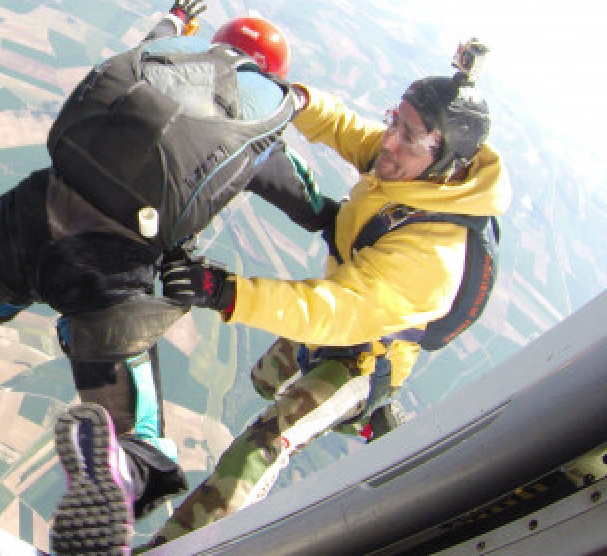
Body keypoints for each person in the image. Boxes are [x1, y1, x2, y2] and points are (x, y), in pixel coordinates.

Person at [0, 0, 334, 553]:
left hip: (23, 218)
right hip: (110, 270)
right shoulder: (256, 128)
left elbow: (149, 40)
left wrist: (178, 19)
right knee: (135, 436)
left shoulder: (170, 58)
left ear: (216, 46)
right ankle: (118, 474)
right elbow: (314, 206)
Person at [55, 42, 511, 553]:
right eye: (394, 121)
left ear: (445, 160)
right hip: (339, 313)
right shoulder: (411, 169)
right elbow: (345, 128)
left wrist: (225, 292)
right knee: (263, 379)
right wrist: (289, 98)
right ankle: (358, 418)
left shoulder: (433, 259)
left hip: (366, 354)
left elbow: (332, 312)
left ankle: (171, 548)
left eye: (408, 135)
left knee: (263, 444)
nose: (388, 141)